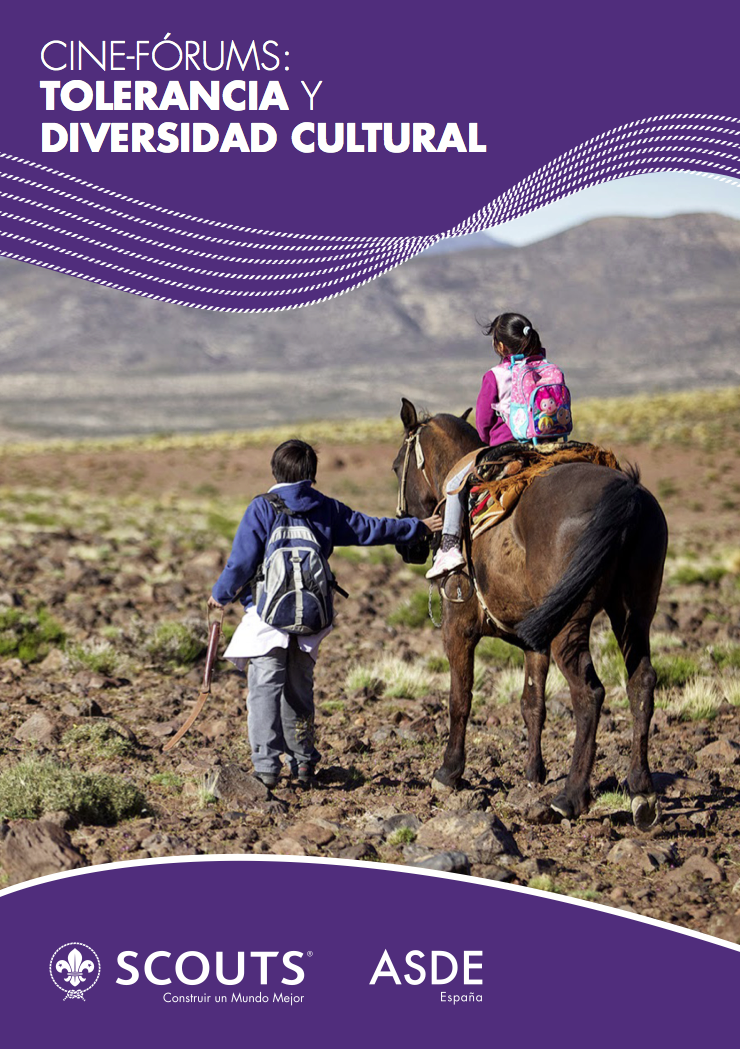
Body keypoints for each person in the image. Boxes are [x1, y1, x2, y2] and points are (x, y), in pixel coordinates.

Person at [208, 438, 442, 789]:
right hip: (310, 621)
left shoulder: (261, 508)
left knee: (264, 691)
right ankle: (303, 764)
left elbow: (240, 564)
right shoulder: (326, 508)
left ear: (275, 471)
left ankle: (266, 768)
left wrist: (219, 596)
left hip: (266, 621)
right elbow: (371, 529)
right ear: (312, 475)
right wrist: (419, 527)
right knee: (301, 693)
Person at [426, 312, 546, 579]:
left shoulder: (496, 375)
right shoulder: (545, 367)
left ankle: (449, 549)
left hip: (506, 447)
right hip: (547, 445)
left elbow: (482, 423)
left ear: (501, 346)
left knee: (455, 485)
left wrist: (491, 440)